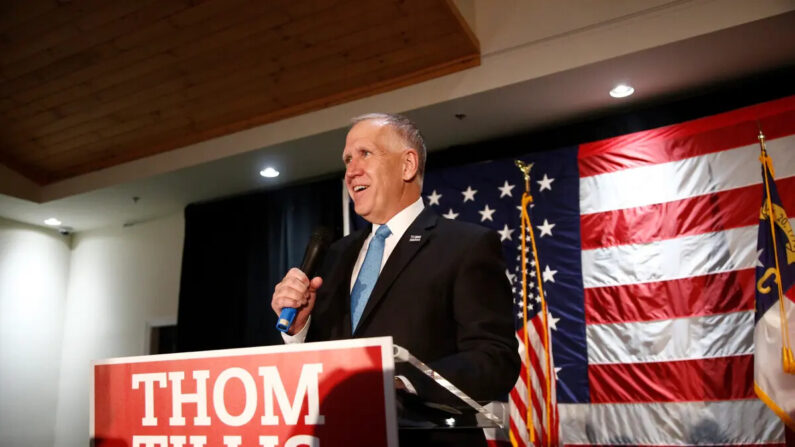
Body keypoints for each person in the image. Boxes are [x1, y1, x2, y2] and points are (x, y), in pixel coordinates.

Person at [271, 113, 519, 446]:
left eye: (365, 154)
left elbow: (495, 361)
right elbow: (326, 363)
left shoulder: (465, 246)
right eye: (347, 160)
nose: (350, 171)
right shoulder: (335, 254)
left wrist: (400, 381)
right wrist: (299, 330)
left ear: (407, 165)